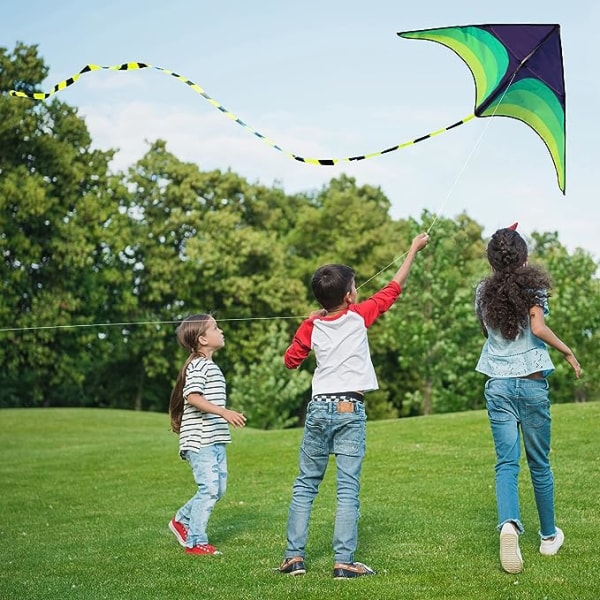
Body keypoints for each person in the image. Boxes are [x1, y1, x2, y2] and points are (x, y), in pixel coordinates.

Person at [277, 232, 430, 579]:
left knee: (305, 485)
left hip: (318, 408)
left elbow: (290, 361)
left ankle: (293, 559)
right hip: (349, 407)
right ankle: (343, 563)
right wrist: (411, 250)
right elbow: (393, 288)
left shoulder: (311, 324)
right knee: (347, 489)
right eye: (355, 286)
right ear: (348, 295)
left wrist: (309, 326)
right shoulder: (360, 315)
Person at [475, 225, 581, 574]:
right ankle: (549, 537)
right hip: (531, 384)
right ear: (523, 258)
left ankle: (509, 524)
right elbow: (537, 329)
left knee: (506, 462)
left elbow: (488, 332)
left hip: (498, 386)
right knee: (539, 464)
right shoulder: (533, 289)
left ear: (492, 260)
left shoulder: (482, 292)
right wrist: (567, 352)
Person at [167, 314, 246, 555]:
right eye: (215, 328)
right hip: (200, 440)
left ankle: (181, 520)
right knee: (209, 489)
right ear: (202, 339)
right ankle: (196, 542)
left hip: (214, 439)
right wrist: (224, 412)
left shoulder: (208, 365)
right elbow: (192, 397)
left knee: (217, 490)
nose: (221, 331)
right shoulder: (198, 365)